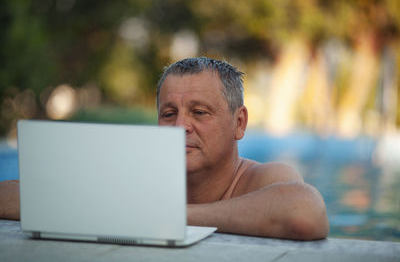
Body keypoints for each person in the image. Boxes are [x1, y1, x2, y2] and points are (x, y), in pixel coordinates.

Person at [0, 57, 329, 240]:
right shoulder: (139, 180)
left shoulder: (262, 178)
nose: (180, 126)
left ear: (239, 123)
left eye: (199, 113)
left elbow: (304, 212)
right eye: (169, 114)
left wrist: (162, 216)